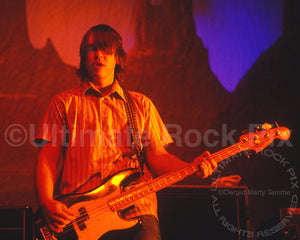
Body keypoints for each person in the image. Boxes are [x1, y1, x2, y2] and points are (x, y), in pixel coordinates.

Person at [34, 24, 217, 240]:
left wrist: (191, 167)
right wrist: (46, 201)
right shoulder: (63, 103)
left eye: (106, 48)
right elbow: (47, 159)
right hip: (80, 213)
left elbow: (157, 157)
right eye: (92, 48)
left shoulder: (140, 105)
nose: (98, 54)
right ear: (83, 57)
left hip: (136, 207)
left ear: (118, 57)